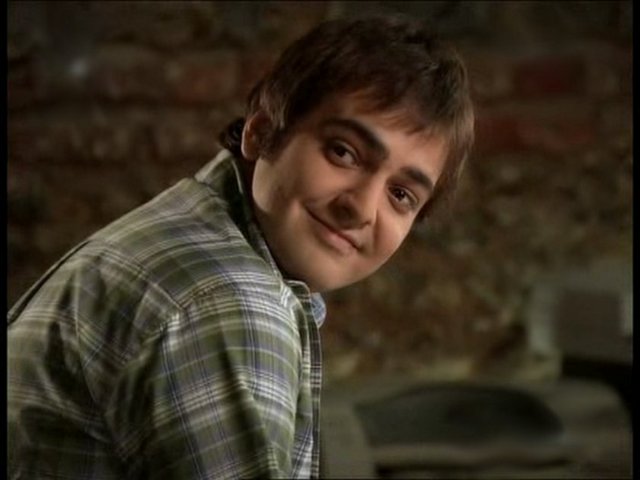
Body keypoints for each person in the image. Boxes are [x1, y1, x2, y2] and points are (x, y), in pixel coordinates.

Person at [7, 15, 474, 479]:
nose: (362, 208)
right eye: (343, 152)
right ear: (262, 132)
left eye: (401, 195)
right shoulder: (228, 301)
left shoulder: (194, 223)